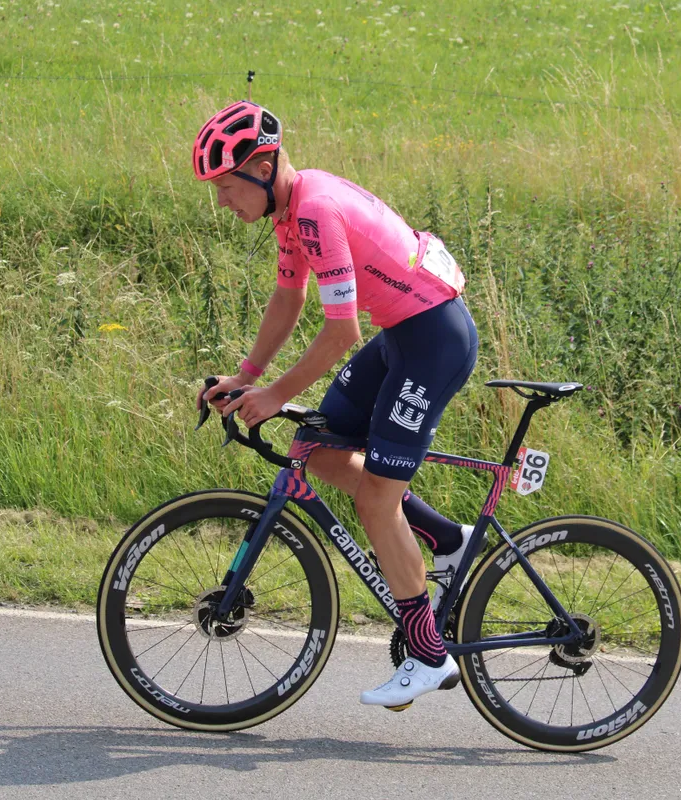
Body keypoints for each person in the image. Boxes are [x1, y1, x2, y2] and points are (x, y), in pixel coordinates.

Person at [192, 100, 479, 709]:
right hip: (404, 335)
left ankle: (429, 656)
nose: (222, 202)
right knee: (316, 446)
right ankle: (447, 540)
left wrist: (273, 395)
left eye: (225, 187)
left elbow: (340, 332)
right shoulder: (292, 211)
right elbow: (287, 299)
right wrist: (248, 376)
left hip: (432, 342)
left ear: (262, 165)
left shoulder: (316, 213)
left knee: (377, 495)